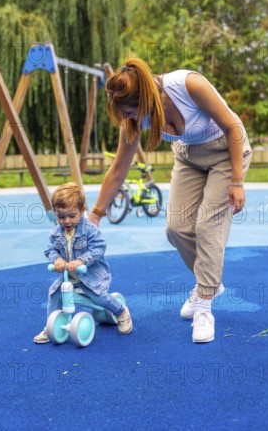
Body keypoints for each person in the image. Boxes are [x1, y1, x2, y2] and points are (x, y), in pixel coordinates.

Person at [88, 57, 252, 343]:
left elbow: (232, 128)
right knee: (175, 228)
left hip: (227, 152)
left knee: (207, 226)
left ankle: (204, 305)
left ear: (146, 99)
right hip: (189, 157)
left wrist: (237, 182)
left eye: (131, 111)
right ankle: (211, 283)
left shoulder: (188, 85)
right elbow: (118, 170)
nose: (129, 119)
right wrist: (95, 215)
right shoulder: (132, 117)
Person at [34, 182, 133, 343]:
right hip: (69, 277)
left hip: (91, 276)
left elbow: (99, 247)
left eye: (72, 216)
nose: (66, 221)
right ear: (55, 213)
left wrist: (81, 260)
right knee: (55, 295)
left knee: (99, 298)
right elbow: (50, 250)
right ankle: (51, 325)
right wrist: (57, 259)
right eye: (61, 216)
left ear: (82, 210)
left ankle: (121, 311)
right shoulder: (55, 233)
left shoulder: (89, 230)